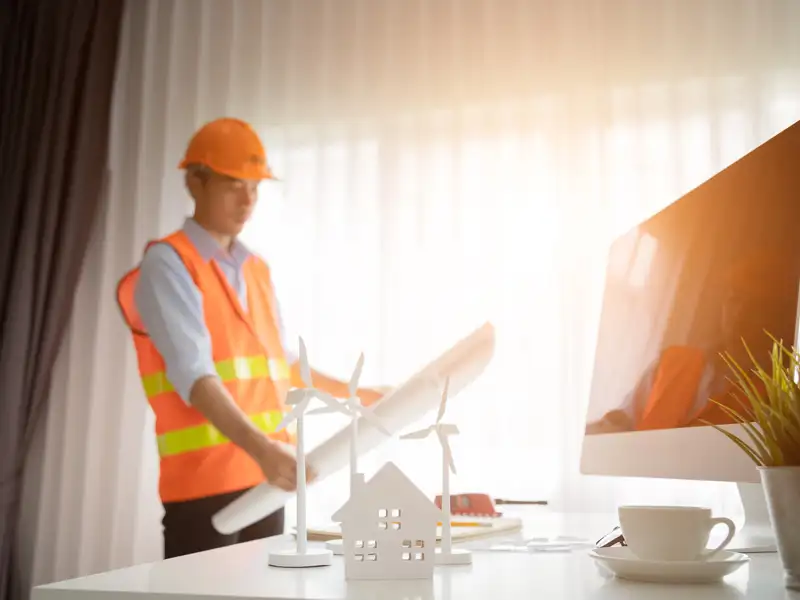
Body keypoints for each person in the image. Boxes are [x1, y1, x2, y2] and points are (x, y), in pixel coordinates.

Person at [116, 117, 387, 559]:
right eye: (232, 185)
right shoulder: (169, 264)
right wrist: (264, 450)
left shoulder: (256, 269)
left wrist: (363, 395)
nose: (247, 200)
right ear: (195, 183)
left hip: (265, 480)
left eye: (255, 188)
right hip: (206, 489)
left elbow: (283, 368)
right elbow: (194, 376)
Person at [585, 250, 796, 434]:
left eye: (756, 306)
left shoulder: (778, 395)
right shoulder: (672, 360)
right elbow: (625, 419)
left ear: (774, 314)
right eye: (735, 298)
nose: (740, 313)